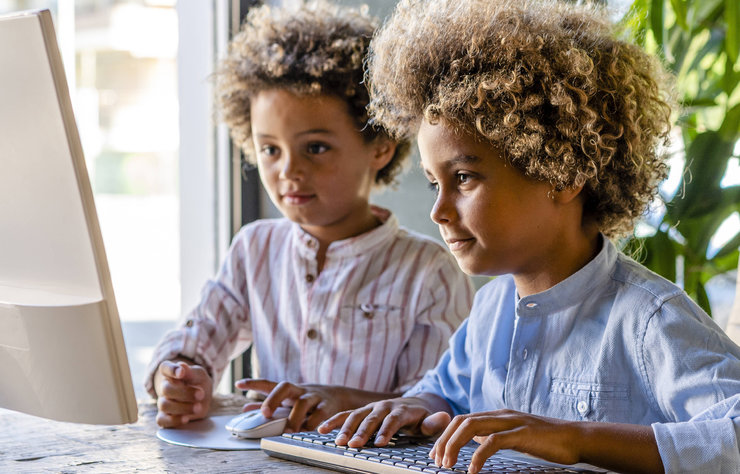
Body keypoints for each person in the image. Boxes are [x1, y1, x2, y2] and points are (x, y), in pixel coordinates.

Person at [317, 0, 740, 472]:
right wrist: (418, 405)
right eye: (436, 183)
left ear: (562, 173)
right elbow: (445, 391)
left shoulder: (647, 321)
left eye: (463, 178)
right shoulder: (491, 309)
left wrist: (577, 439)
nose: (438, 210)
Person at [145, 0, 473, 432]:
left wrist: (339, 403)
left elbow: (435, 407)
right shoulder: (254, 248)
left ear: (380, 146)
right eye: (270, 150)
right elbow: (196, 339)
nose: (288, 171)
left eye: (315, 147)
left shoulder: (428, 271)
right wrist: (179, 376)